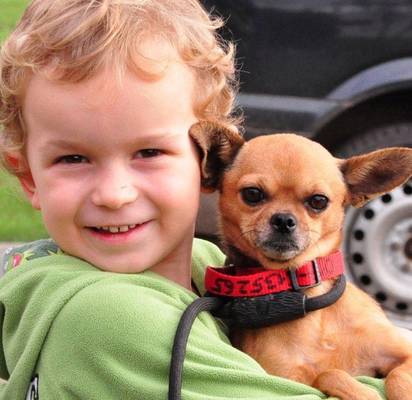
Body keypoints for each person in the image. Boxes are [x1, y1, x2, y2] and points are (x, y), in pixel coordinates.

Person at [0, 1, 387, 399]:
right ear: (28, 176)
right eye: (73, 159)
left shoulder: (206, 266)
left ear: (205, 161)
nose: (114, 194)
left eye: (149, 152)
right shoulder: (113, 319)